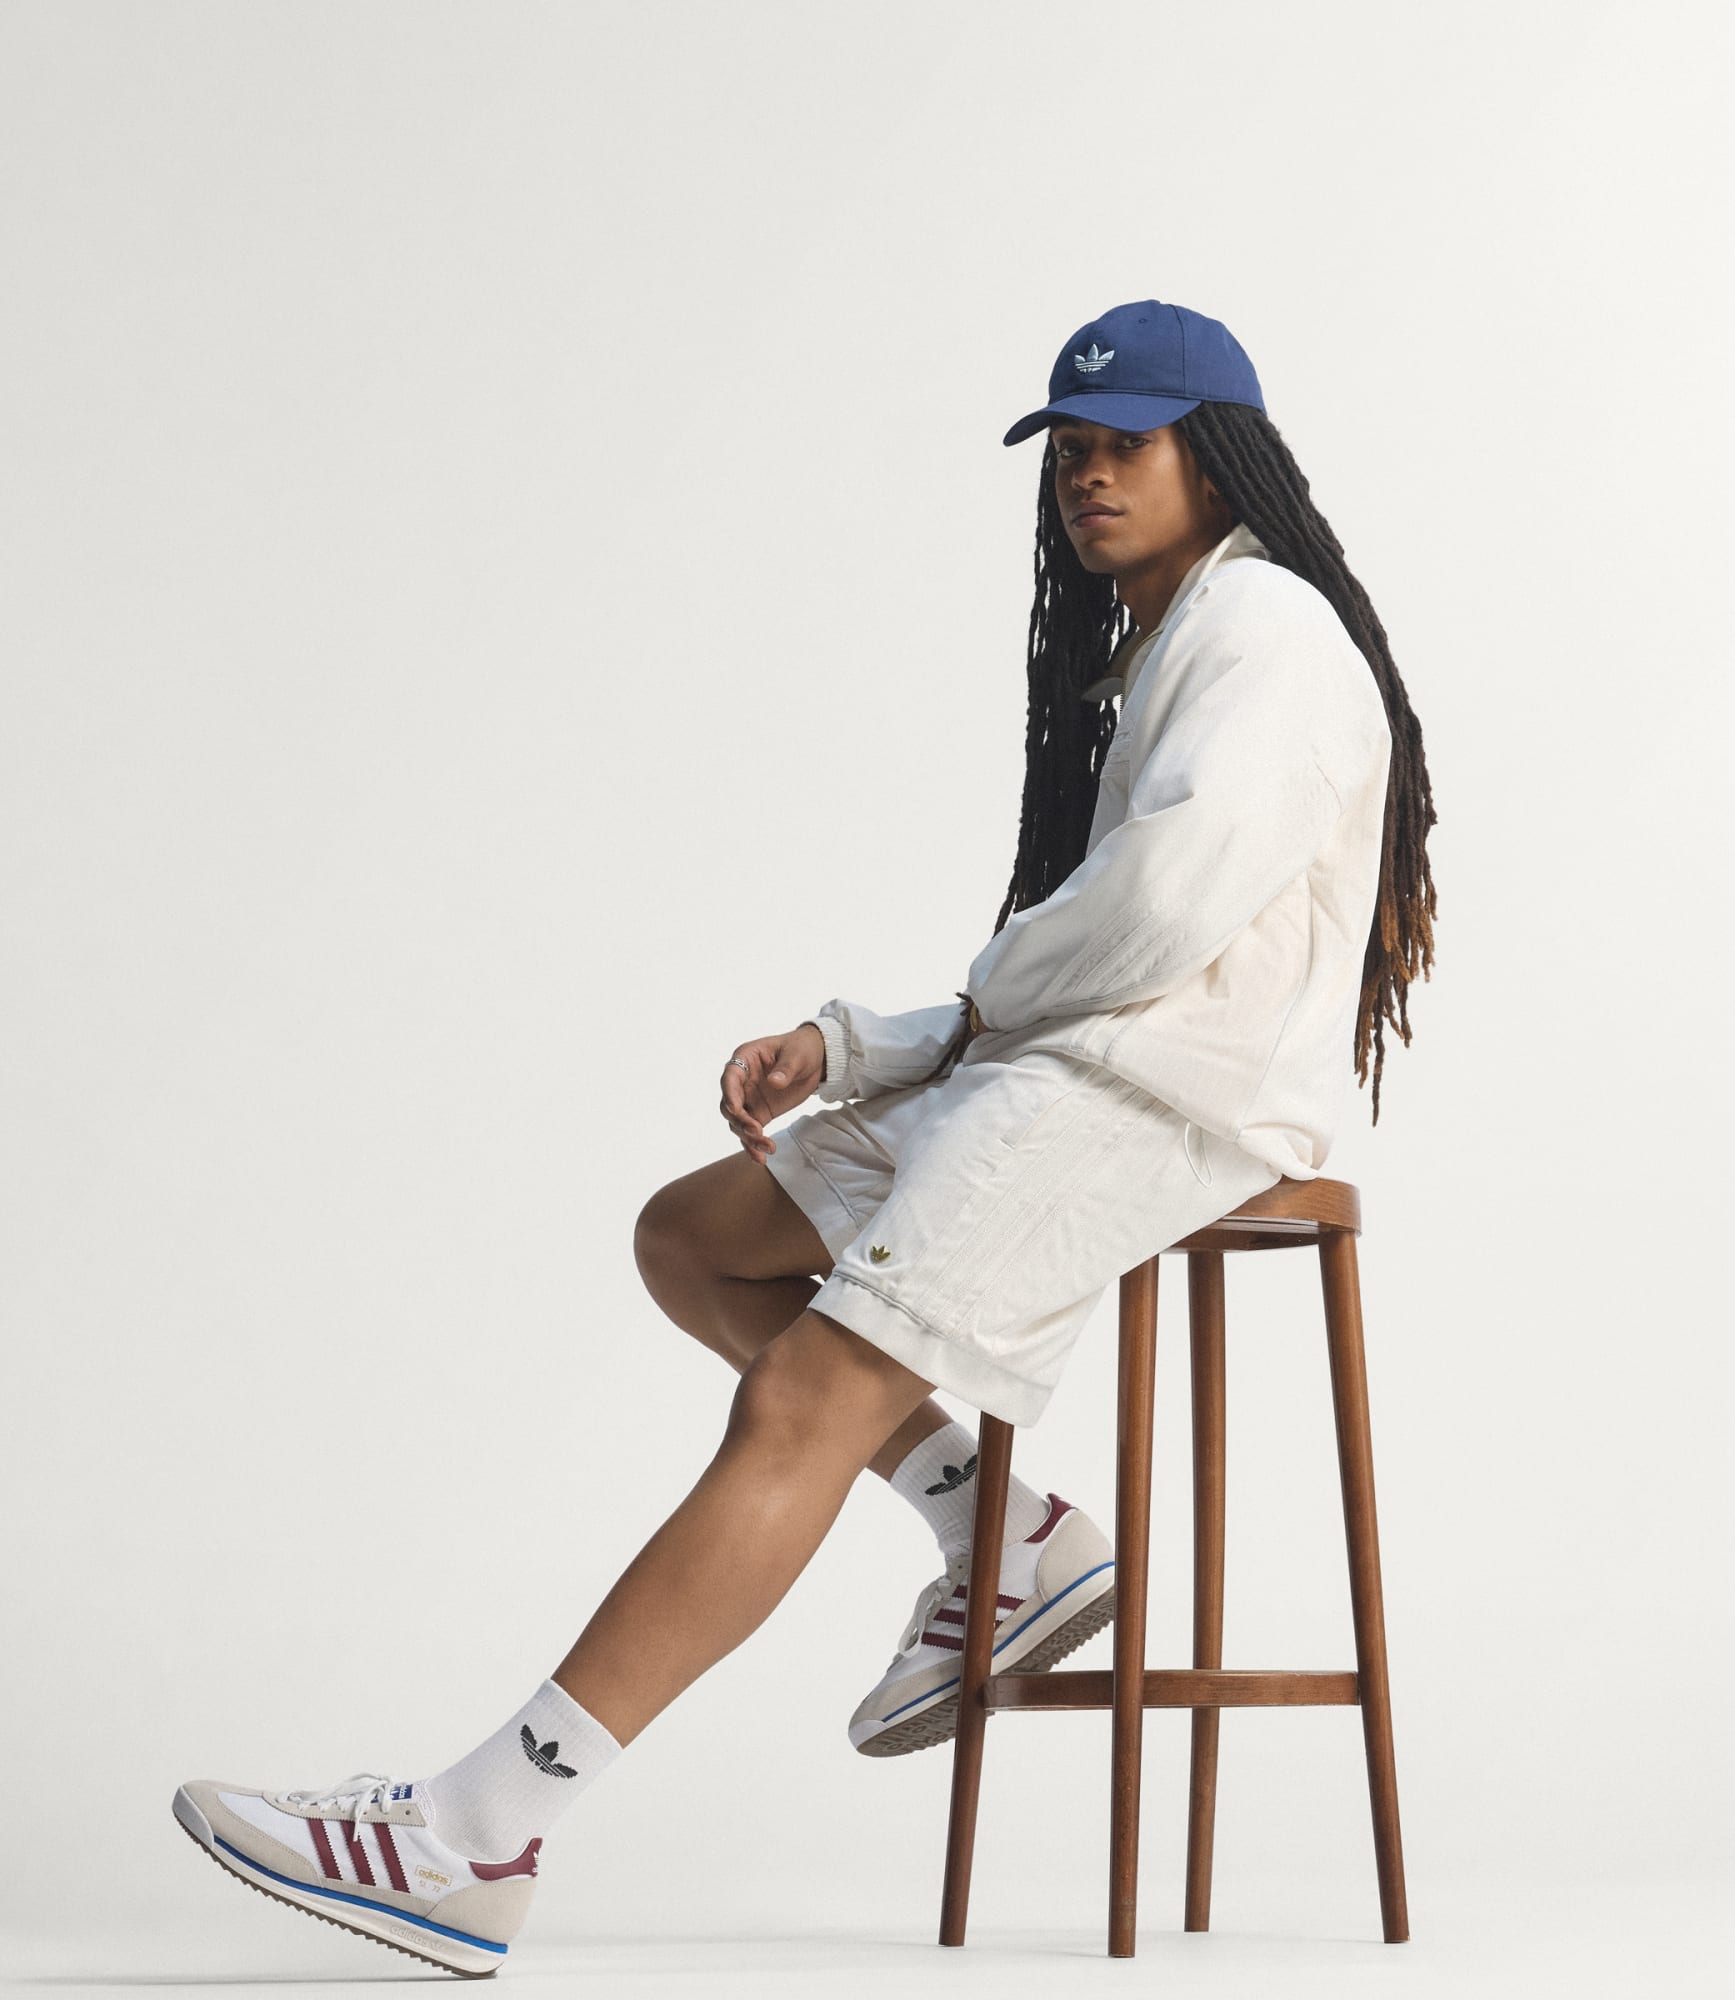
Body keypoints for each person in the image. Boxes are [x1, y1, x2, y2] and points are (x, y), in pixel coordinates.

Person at [171, 298, 1440, 1977]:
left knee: (799, 1397)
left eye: (1127, 443)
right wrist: (868, 1049)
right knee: (698, 1235)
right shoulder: (1174, 639)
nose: (1088, 475)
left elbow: (1151, 916)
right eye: (1069, 449)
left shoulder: (1265, 632)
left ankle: (478, 1835)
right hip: (1076, 1068)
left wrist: (915, 1036)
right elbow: (1082, 961)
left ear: (1219, 457)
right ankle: (1007, 1532)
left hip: (1158, 1101)